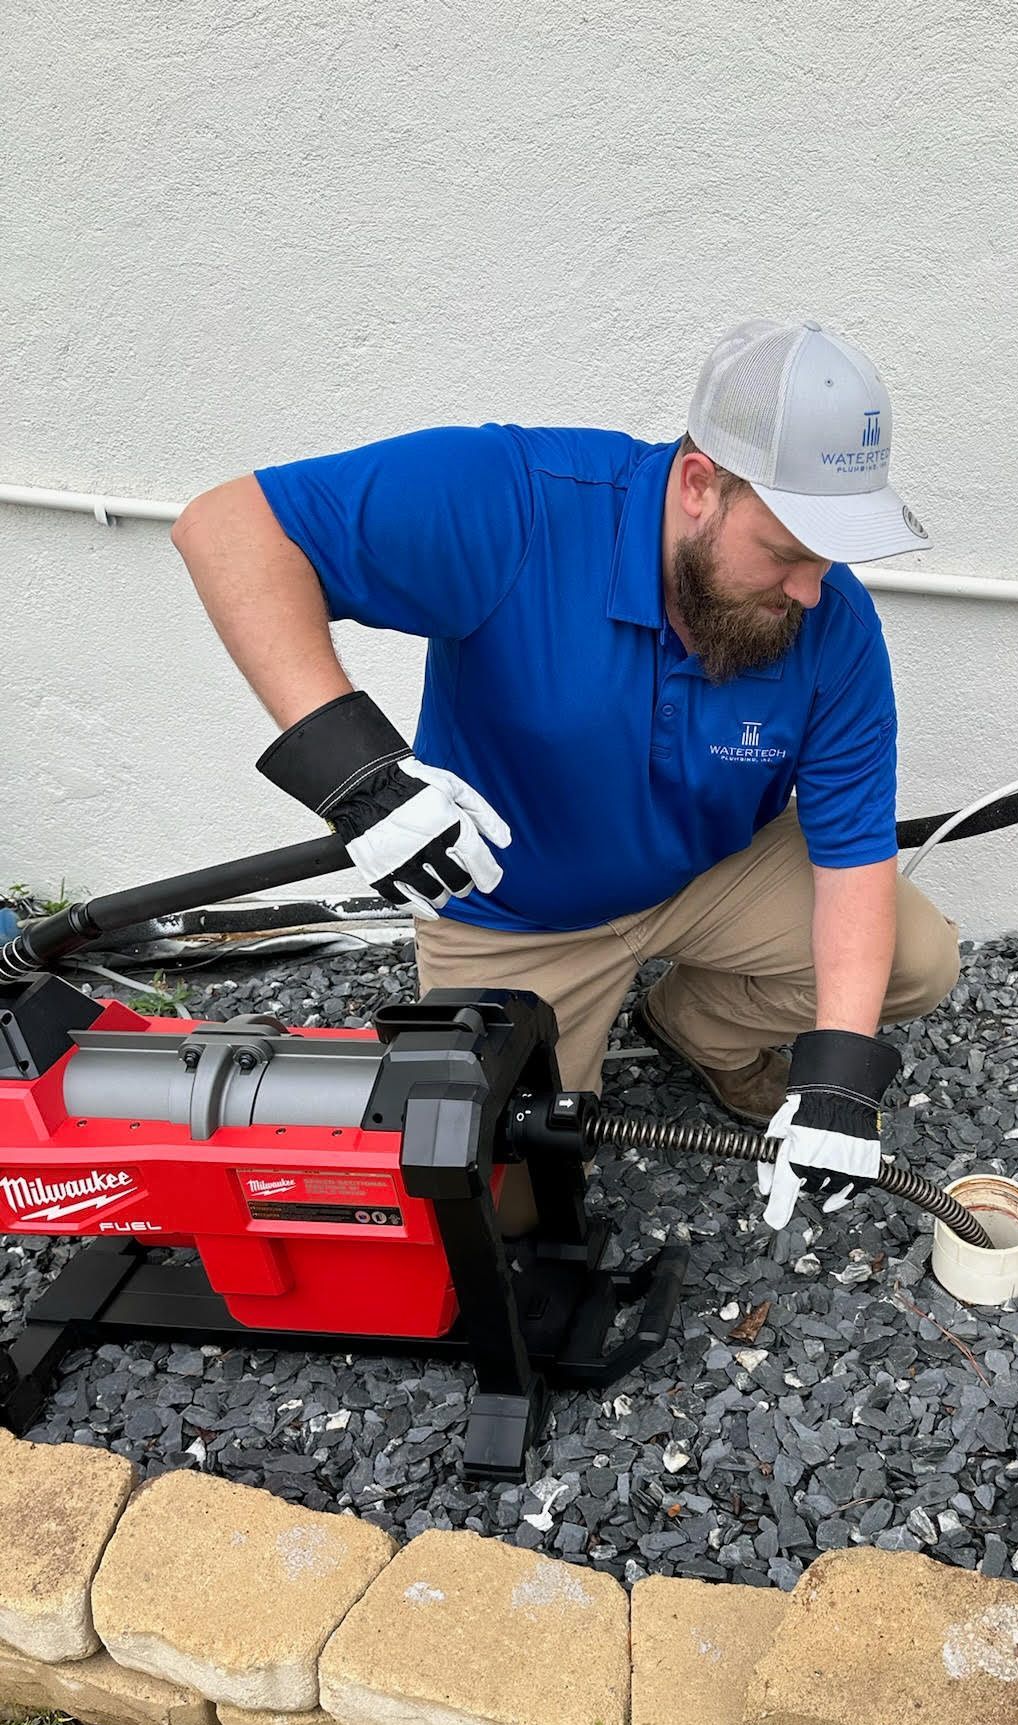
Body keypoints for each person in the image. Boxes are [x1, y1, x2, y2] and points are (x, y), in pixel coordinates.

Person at [170, 317, 960, 1235]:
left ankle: (694, 1029)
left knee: (917, 957)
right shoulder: (520, 503)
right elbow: (227, 529)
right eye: (787, 552)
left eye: (831, 557)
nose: (811, 590)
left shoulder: (833, 625)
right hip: (517, 912)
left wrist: (837, 1082)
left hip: (705, 875)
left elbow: (854, 854)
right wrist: (361, 776)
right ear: (700, 484)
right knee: (499, 1207)